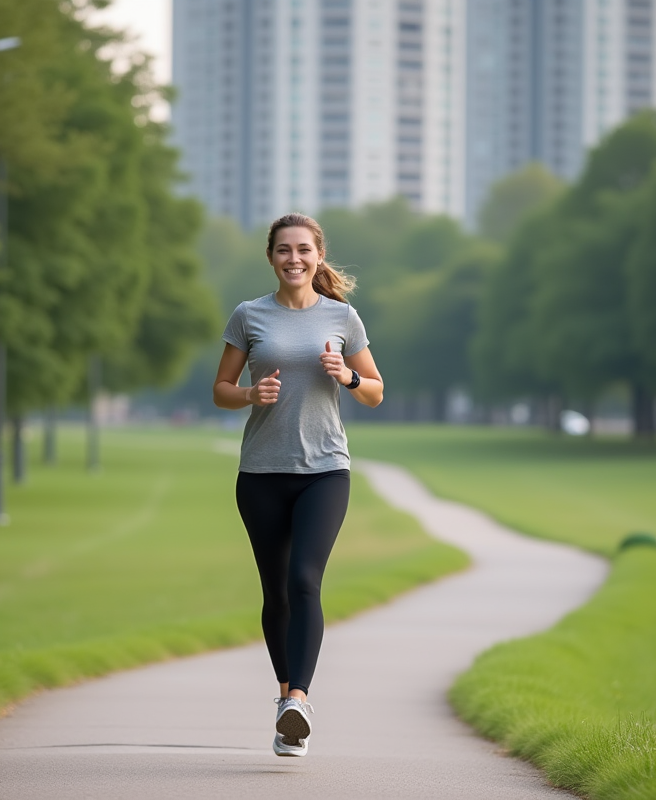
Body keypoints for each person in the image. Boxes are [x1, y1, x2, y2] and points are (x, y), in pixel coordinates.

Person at [213, 212, 384, 757]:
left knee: (305, 577)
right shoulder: (249, 315)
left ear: (318, 255)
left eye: (304, 250)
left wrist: (348, 376)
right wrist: (249, 394)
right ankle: (286, 701)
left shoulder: (342, 317)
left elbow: (376, 390)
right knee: (276, 591)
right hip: (262, 473)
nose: (294, 259)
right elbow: (221, 388)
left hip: (325, 470)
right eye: (284, 250)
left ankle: (299, 701)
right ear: (271, 257)